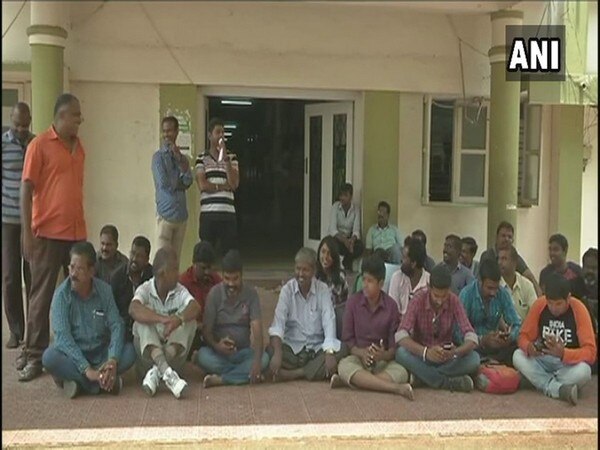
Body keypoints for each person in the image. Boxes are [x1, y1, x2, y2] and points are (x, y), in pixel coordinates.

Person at [19, 93, 87, 382]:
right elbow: (26, 189)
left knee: (77, 296)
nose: (80, 120)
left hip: (76, 233)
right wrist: (26, 231)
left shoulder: (79, 147)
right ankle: (34, 356)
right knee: (41, 296)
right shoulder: (39, 145)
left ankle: (73, 352)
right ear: (60, 117)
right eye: (76, 115)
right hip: (46, 233)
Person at [42, 242, 136, 398]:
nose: (73, 273)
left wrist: (112, 360)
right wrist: (87, 369)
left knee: (130, 352)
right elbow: (63, 338)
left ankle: (77, 383)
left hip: (101, 353)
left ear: (92, 271)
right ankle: (102, 383)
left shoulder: (104, 290)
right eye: (71, 267)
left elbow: (116, 325)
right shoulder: (61, 296)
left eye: (79, 269)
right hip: (74, 355)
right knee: (49, 357)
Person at [330, 256, 413, 399]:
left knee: (401, 371)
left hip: (382, 362)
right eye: (364, 280)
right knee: (344, 366)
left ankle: (358, 382)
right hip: (358, 359)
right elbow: (348, 341)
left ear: (381, 284)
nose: (365, 285)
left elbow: (393, 348)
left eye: (370, 281)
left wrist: (382, 355)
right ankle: (396, 389)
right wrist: (363, 353)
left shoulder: (391, 306)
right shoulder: (353, 303)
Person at [513, 274, 597, 405]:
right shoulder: (540, 304)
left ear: (568, 298)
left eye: (558, 304)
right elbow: (522, 337)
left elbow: (591, 352)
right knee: (517, 355)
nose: (553, 308)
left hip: (566, 365)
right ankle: (558, 389)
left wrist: (564, 353)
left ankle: (538, 382)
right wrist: (530, 348)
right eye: (550, 303)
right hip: (542, 360)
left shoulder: (579, 309)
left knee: (585, 371)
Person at [395, 265, 480, 392]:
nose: (440, 301)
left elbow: (471, 336)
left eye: (444, 296)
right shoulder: (418, 299)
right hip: (422, 356)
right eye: (436, 296)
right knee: (401, 353)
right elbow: (400, 335)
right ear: (429, 287)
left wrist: (455, 353)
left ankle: (423, 377)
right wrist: (426, 352)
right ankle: (445, 382)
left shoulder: (454, 301)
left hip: (446, 359)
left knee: (474, 359)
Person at [129, 246, 199, 399]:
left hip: (174, 362)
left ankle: (160, 370)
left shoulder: (179, 290)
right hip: (146, 362)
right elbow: (133, 309)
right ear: (162, 273)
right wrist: (163, 319)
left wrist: (178, 319)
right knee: (140, 321)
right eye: (174, 269)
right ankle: (165, 371)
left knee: (189, 321)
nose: (178, 274)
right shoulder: (145, 289)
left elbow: (195, 307)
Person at [267, 248, 346, 382]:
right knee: (270, 350)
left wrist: (329, 352)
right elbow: (277, 324)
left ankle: (295, 374)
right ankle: (314, 371)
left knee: (342, 349)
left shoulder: (322, 290)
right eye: (298, 269)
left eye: (305, 270)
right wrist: (278, 354)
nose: (300, 274)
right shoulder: (287, 290)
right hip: (293, 349)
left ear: (314, 271)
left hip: (316, 349)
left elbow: (329, 321)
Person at [196, 250, 269, 387]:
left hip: (243, 352)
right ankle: (245, 374)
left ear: (241, 276)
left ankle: (222, 379)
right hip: (219, 354)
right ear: (222, 276)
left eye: (235, 279)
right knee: (202, 356)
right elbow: (206, 331)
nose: (231, 284)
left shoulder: (251, 294)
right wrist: (217, 346)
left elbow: (257, 330)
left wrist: (257, 362)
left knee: (264, 359)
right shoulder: (214, 294)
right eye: (227, 279)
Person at [2, 102, 33, 349]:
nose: (21, 129)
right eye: (17, 124)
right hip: (8, 221)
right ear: (11, 120)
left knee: (32, 275)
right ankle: (15, 330)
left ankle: (33, 330)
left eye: (25, 124)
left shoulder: (37, 143)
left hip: (33, 222)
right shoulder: (3, 143)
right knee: (10, 276)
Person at [458, 258, 521, 366]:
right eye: (489, 288)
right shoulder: (467, 294)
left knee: (518, 351)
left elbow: (517, 324)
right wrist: (482, 340)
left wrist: (509, 337)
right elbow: (458, 333)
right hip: (474, 348)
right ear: (480, 281)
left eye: (496, 288)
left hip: (498, 347)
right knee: (467, 355)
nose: (493, 293)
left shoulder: (502, 293)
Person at [151, 116, 193, 265]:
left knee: (176, 262)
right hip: (165, 216)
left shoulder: (182, 158)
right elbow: (164, 184)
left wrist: (179, 158)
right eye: (164, 131)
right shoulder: (157, 158)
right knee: (162, 262)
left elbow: (188, 180)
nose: (166, 134)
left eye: (169, 131)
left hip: (181, 217)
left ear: (176, 132)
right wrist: (180, 181)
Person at [195, 117, 240, 256]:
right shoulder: (201, 158)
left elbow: (234, 184)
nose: (221, 136)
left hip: (228, 215)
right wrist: (221, 186)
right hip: (208, 215)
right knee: (206, 254)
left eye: (223, 132)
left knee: (229, 254)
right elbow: (202, 185)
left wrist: (225, 158)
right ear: (209, 136)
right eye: (218, 132)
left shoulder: (232, 158)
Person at [179, 241, 222, 354]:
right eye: (203, 268)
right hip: (193, 330)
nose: (207, 272)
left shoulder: (216, 280)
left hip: (213, 329)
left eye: (210, 268)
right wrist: (198, 325)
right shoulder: (183, 282)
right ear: (194, 264)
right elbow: (179, 315)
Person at [110, 236, 154, 342]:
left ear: (147, 259)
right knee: (127, 357)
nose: (134, 259)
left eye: (139, 256)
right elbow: (111, 310)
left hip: (146, 331)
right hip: (122, 332)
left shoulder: (153, 277)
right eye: (133, 253)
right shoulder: (117, 276)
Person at [480, 221, 542, 296]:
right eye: (503, 236)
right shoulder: (488, 256)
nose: (506, 239)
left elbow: (529, 275)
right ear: (497, 237)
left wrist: (539, 295)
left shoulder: (514, 256)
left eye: (509, 237)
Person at [388, 237, 430, 320]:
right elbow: (393, 311)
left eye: (404, 258)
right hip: (400, 327)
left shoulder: (429, 281)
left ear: (413, 263)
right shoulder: (396, 277)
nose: (401, 260)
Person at [316, 236, 349, 340]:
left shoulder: (340, 278)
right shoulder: (313, 276)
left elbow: (341, 306)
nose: (325, 257)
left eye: (329, 254)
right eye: (323, 252)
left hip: (334, 320)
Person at [539, 234, 586, 301]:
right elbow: (543, 298)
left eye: (556, 249)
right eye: (550, 249)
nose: (552, 253)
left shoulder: (576, 271)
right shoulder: (545, 273)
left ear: (565, 251)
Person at [328, 183, 363, 271]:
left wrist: (352, 240)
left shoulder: (356, 209)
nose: (342, 198)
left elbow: (356, 230)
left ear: (351, 197)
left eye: (345, 195)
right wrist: (344, 240)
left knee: (360, 246)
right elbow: (333, 230)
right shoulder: (335, 206)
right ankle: (336, 264)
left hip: (349, 238)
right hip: (338, 238)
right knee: (331, 244)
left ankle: (346, 262)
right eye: (341, 195)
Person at [498, 246, 537, 321]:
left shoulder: (527, 285)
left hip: (524, 330)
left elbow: (535, 312)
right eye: (499, 259)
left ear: (514, 262)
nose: (499, 262)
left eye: (504, 259)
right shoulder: (495, 285)